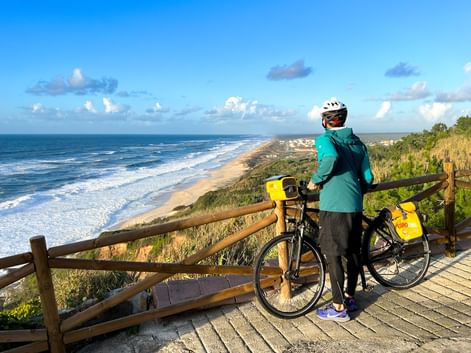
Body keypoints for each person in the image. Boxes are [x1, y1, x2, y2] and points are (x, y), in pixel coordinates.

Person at [307, 97, 374, 322]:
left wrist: (316, 180)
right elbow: (368, 176)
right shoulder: (357, 142)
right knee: (352, 252)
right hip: (354, 204)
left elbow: (331, 158)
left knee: (333, 255)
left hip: (334, 205)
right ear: (343, 118)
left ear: (325, 121)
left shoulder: (325, 139)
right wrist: (359, 189)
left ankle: (338, 308)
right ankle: (350, 297)